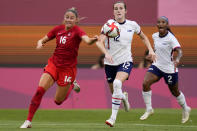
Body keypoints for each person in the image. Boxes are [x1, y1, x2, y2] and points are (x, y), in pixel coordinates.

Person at [20, 7, 98, 128]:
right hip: (54, 65)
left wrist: (93, 40)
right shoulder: (58, 29)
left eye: (71, 18)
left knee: (58, 101)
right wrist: (40, 43)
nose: (68, 20)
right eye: (67, 17)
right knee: (40, 90)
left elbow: (87, 40)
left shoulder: (78, 31)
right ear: (64, 18)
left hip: (68, 69)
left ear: (76, 20)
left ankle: (72, 84)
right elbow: (43, 39)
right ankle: (28, 121)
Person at [95, 1, 156, 127]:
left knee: (117, 83)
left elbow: (143, 37)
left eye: (121, 8)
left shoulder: (132, 25)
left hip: (125, 61)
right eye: (116, 8)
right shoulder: (108, 25)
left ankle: (112, 118)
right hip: (110, 63)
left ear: (125, 11)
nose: (118, 11)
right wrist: (106, 52)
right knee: (115, 93)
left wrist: (150, 50)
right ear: (113, 11)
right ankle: (123, 97)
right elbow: (99, 42)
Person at [140, 16, 191, 123]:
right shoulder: (155, 36)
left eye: (163, 22)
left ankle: (186, 108)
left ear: (167, 25)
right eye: (159, 22)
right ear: (157, 25)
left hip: (169, 69)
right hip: (157, 65)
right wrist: (152, 55)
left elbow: (179, 51)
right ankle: (149, 109)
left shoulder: (171, 38)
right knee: (145, 83)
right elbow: (156, 49)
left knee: (175, 91)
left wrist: (177, 59)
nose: (161, 24)